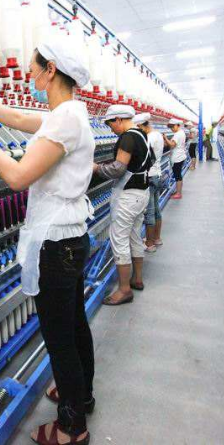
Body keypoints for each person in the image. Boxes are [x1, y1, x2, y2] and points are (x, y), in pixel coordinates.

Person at [0, 36, 94, 445]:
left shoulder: (64, 120)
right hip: (70, 239)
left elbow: (16, 177)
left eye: (32, 69)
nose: (29, 75)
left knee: (60, 338)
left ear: (50, 71)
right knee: (74, 324)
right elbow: (14, 117)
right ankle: (80, 395)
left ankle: (71, 428)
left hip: (56, 245)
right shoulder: (68, 113)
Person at [94, 105, 153, 306]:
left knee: (119, 240)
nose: (110, 129)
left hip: (128, 196)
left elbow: (118, 169)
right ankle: (137, 278)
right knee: (135, 236)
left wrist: (96, 168)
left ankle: (124, 290)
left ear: (118, 119)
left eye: (110, 124)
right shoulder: (141, 134)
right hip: (142, 193)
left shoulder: (127, 137)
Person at [133, 113, 167, 253]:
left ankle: (149, 243)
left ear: (141, 126)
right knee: (157, 210)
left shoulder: (148, 138)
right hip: (157, 174)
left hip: (150, 176)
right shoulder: (158, 135)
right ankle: (157, 238)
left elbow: (143, 156)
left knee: (150, 211)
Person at [169, 119, 187, 200]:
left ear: (177, 125)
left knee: (177, 176)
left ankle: (178, 193)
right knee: (178, 175)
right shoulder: (181, 132)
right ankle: (178, 191)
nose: (171, 129)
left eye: (172, 127)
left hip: (177, 157)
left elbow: (172, 145)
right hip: (181, 156)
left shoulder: (177, 134)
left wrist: (165, 138)